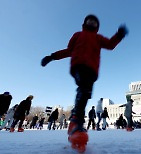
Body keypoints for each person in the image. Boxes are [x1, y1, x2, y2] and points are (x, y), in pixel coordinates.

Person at [41, 14, 128, 152]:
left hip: (92, 69)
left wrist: (119, 35)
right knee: (83, 88)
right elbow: (69, 50)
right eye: (90, 20)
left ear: (97, 26)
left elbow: (110, 45)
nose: (92, 22)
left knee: (86, 93)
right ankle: (77, 122)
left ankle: (75, 119)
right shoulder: (77, 34)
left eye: (95, 21)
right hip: (79, 66)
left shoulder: (98, 38)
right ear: (85, 23)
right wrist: (52, 56)